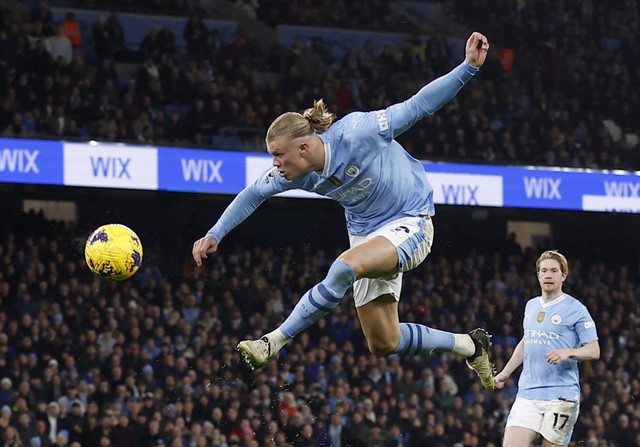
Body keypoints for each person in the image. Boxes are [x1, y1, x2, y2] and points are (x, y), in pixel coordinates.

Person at [192, 32, 496, 390]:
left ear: (304, 147)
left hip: (411, 221)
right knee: (384, 342)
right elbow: (251, 195)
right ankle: (469, 345)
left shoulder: (358, 132)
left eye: (278, 154)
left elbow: (417, 107)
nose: (274, 164)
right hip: (368, 234)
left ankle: (272, 341)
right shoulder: (295, 173)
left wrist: (467, 68)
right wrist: (215, 233)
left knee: (344, 266)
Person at [494, 250, 600, 446]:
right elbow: (527, 341)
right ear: (538, 275)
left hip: (561, 397)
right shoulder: (531, 305)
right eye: (544, 271)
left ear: (564, 275)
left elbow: (594, 350)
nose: (548, 275)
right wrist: (506, 372)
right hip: (528, 394)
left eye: (553, 271)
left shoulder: (576, 309)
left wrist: (569, 352)